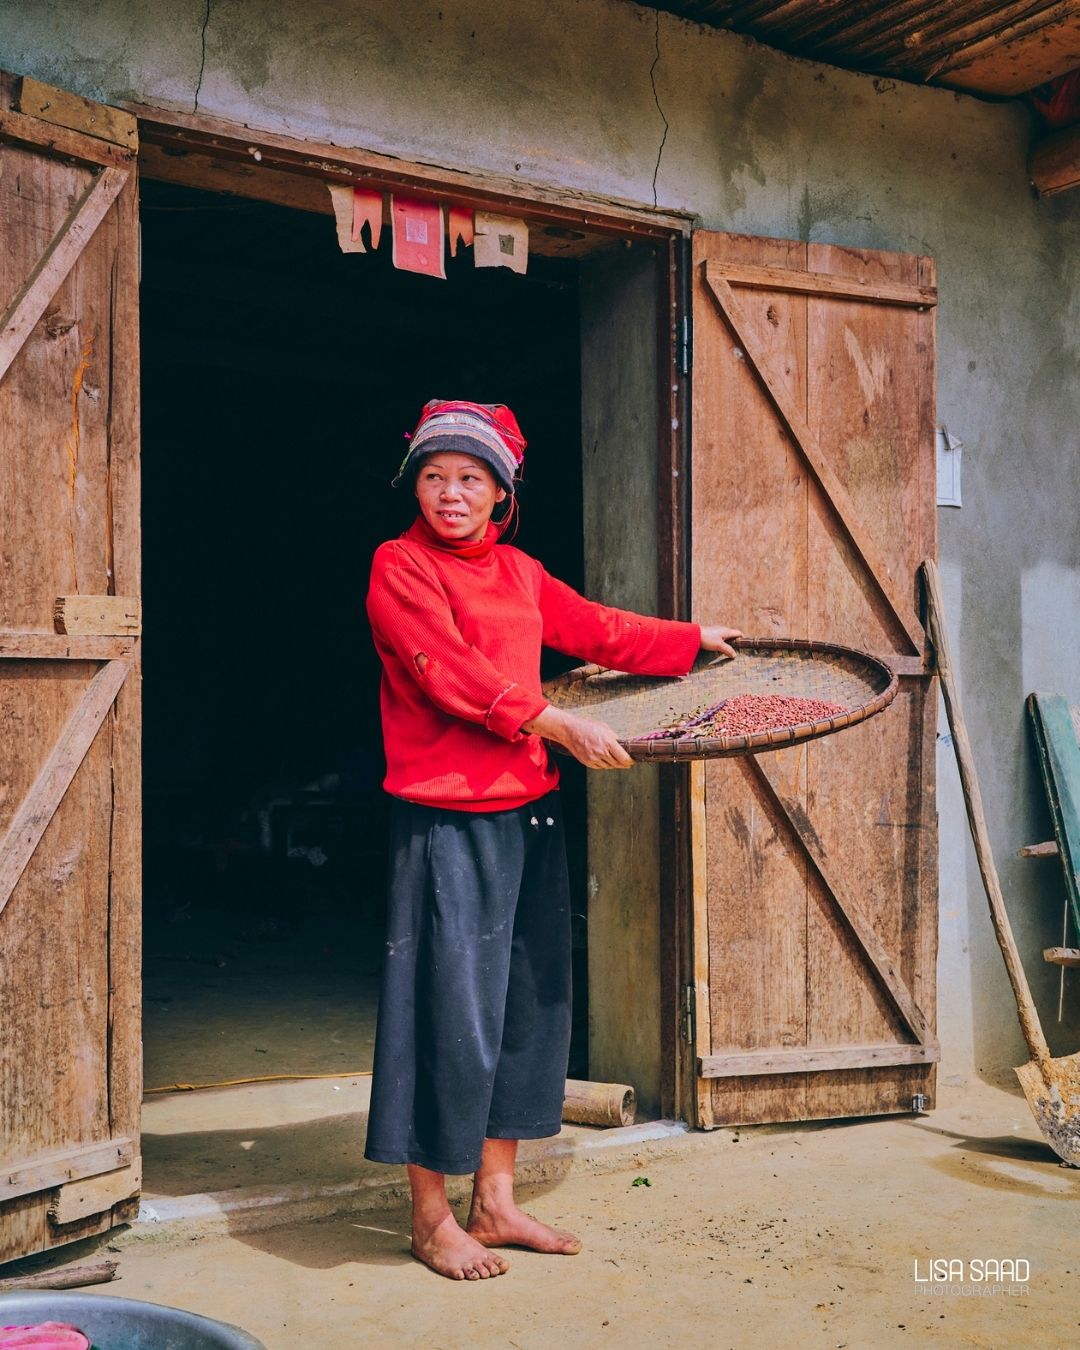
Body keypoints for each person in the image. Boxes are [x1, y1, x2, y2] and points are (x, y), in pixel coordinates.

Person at [364, 399, 742, 1281]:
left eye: (470, 479)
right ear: (413, 485)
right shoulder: (401, 566)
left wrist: (692, 640)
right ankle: (429, 1216)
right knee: (446, 1014)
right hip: (448, 818)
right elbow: (449, 674)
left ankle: (495, 1202)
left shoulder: (521, 573)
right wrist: (554, 721)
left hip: (528, 812)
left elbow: (600, 629)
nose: (449, 495)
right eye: (433, 476)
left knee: (526, 1010)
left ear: (502, 492)